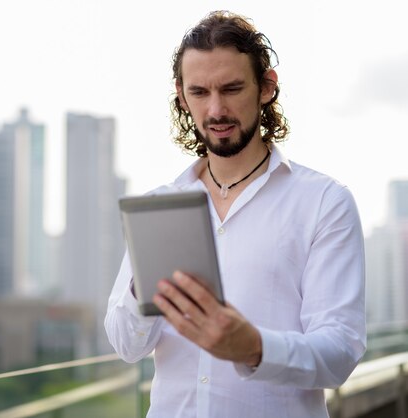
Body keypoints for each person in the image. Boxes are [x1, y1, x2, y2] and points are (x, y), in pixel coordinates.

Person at [105, 10, 365, 418]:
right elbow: (125, 345)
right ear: (181, 93)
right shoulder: (160, 204)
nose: (216, 110)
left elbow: (340, 353)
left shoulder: (324, 202)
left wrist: (254, 347)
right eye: (199, 92)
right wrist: (147, 280)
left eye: (231, 88)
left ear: (266, 87)